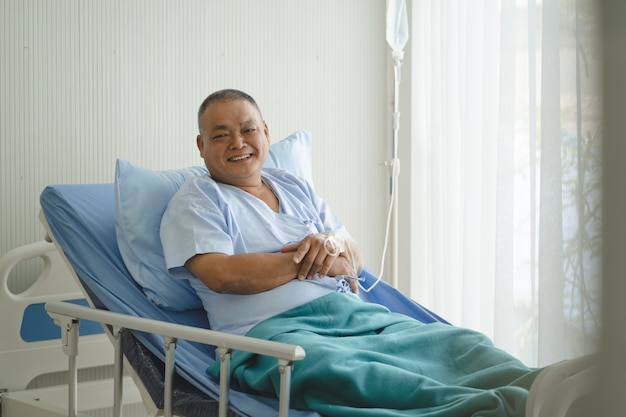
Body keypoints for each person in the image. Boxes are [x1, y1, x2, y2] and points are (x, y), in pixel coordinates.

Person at [160, 89, 541, 416]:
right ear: (201, 146)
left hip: (353, 316)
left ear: (266, 132)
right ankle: (498, 408)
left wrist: (326, 252)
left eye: (248, 130)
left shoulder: (293, 186)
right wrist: (306, 259)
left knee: (460, 346)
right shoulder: (198, 198)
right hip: (272, 339)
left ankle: (549, 391)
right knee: (369, 377)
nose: (239, 143)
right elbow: (224, 275)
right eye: (222, 135)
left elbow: (351, 259)